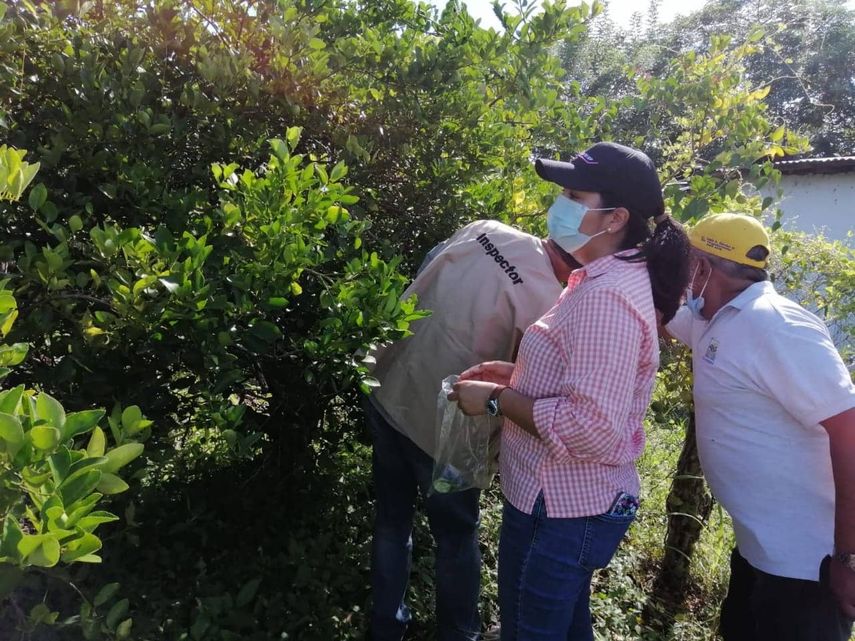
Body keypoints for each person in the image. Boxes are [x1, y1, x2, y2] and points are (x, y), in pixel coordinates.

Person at [451, 142, 691, 641]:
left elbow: (592, 428)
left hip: (558, 508)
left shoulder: (607, 297)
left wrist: (496, 401)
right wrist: (519, 376)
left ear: (615, 218)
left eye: (575, 196)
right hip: (565, 506)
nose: (559, 205)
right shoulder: (602, 277)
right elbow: (585, 379)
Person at [366, 216, 582, 641]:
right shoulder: (552, 305)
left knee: (391, 522)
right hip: (446, 435)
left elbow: (425, 276)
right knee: (455, 537)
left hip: (390, 388)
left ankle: (385, 628)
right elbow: (530, 387)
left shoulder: (486, 229)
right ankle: (458, 633)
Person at [662, 212, 855, 641]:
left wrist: (849, 558)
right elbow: (662, 312)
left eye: (686, 265)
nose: (682, 276)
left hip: (807, 568)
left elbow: (850, 433)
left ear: (702, 268)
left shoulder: (776, 326)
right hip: (759, 551)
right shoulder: (715, 318)